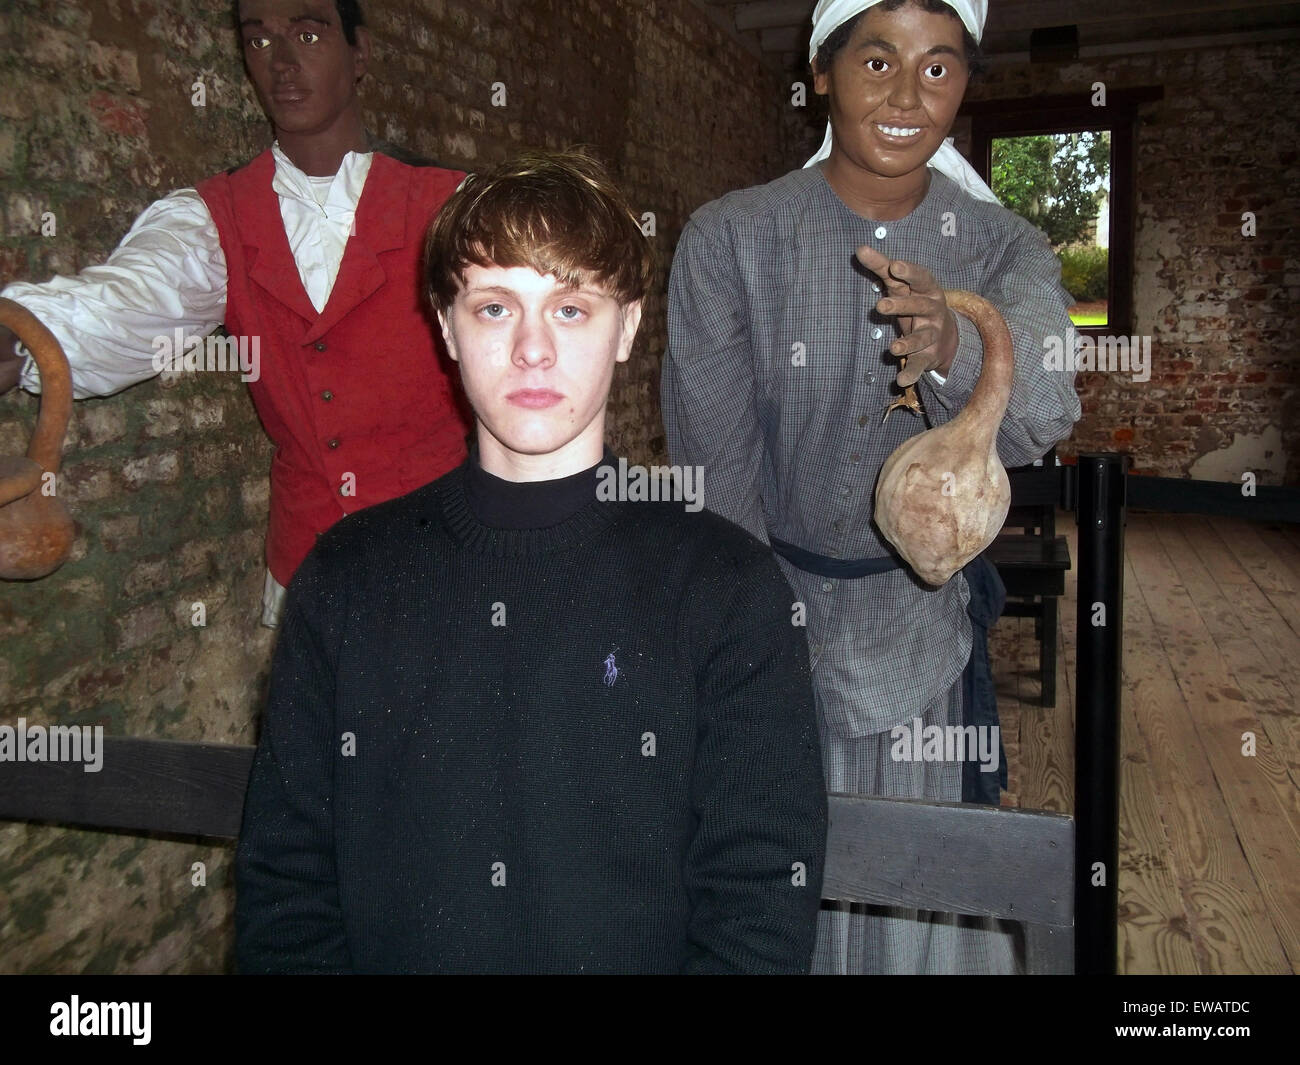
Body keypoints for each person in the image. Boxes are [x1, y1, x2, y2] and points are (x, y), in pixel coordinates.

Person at [234, 150, 829, 974]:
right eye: (494, 307)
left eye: (572, 308)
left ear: (627, 326)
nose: (533, 350)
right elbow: (286, 888)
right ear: (445, 326)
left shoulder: (729, 590)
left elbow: (758, 909)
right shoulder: (345, 580)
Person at [661, 0, 1081, 974]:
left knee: (909, 907)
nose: (906, 95)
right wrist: (749, 660)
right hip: (768, 631)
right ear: (820, 69)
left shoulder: (1000, 243)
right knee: (771, 900)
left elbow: (1043, 405)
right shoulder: (731, 239)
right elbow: (716, 484)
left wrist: (953, 347)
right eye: (876, 60)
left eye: (939, 68)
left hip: (914, 644)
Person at [0, 0, 470, 627]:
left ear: (359, 54)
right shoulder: (212, 217)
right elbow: (128, 305)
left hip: (449, 559)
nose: (282, 63)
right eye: (258, 42)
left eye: (308, 33)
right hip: (310, 564)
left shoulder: (455, 206)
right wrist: (15, 340)